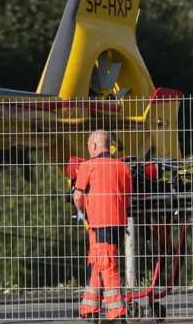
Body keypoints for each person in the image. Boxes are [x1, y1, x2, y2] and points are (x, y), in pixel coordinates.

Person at [73, 130, 132, 322]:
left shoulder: (88, 166)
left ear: (95, 146)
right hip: (118, 224)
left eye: (89, 146)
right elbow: (128, 198)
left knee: (106, 265)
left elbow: (78, 195)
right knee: (98, 262)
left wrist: (81, 212)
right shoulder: (123, 167)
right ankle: (89, 308)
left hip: (99, 223)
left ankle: (117, 313)